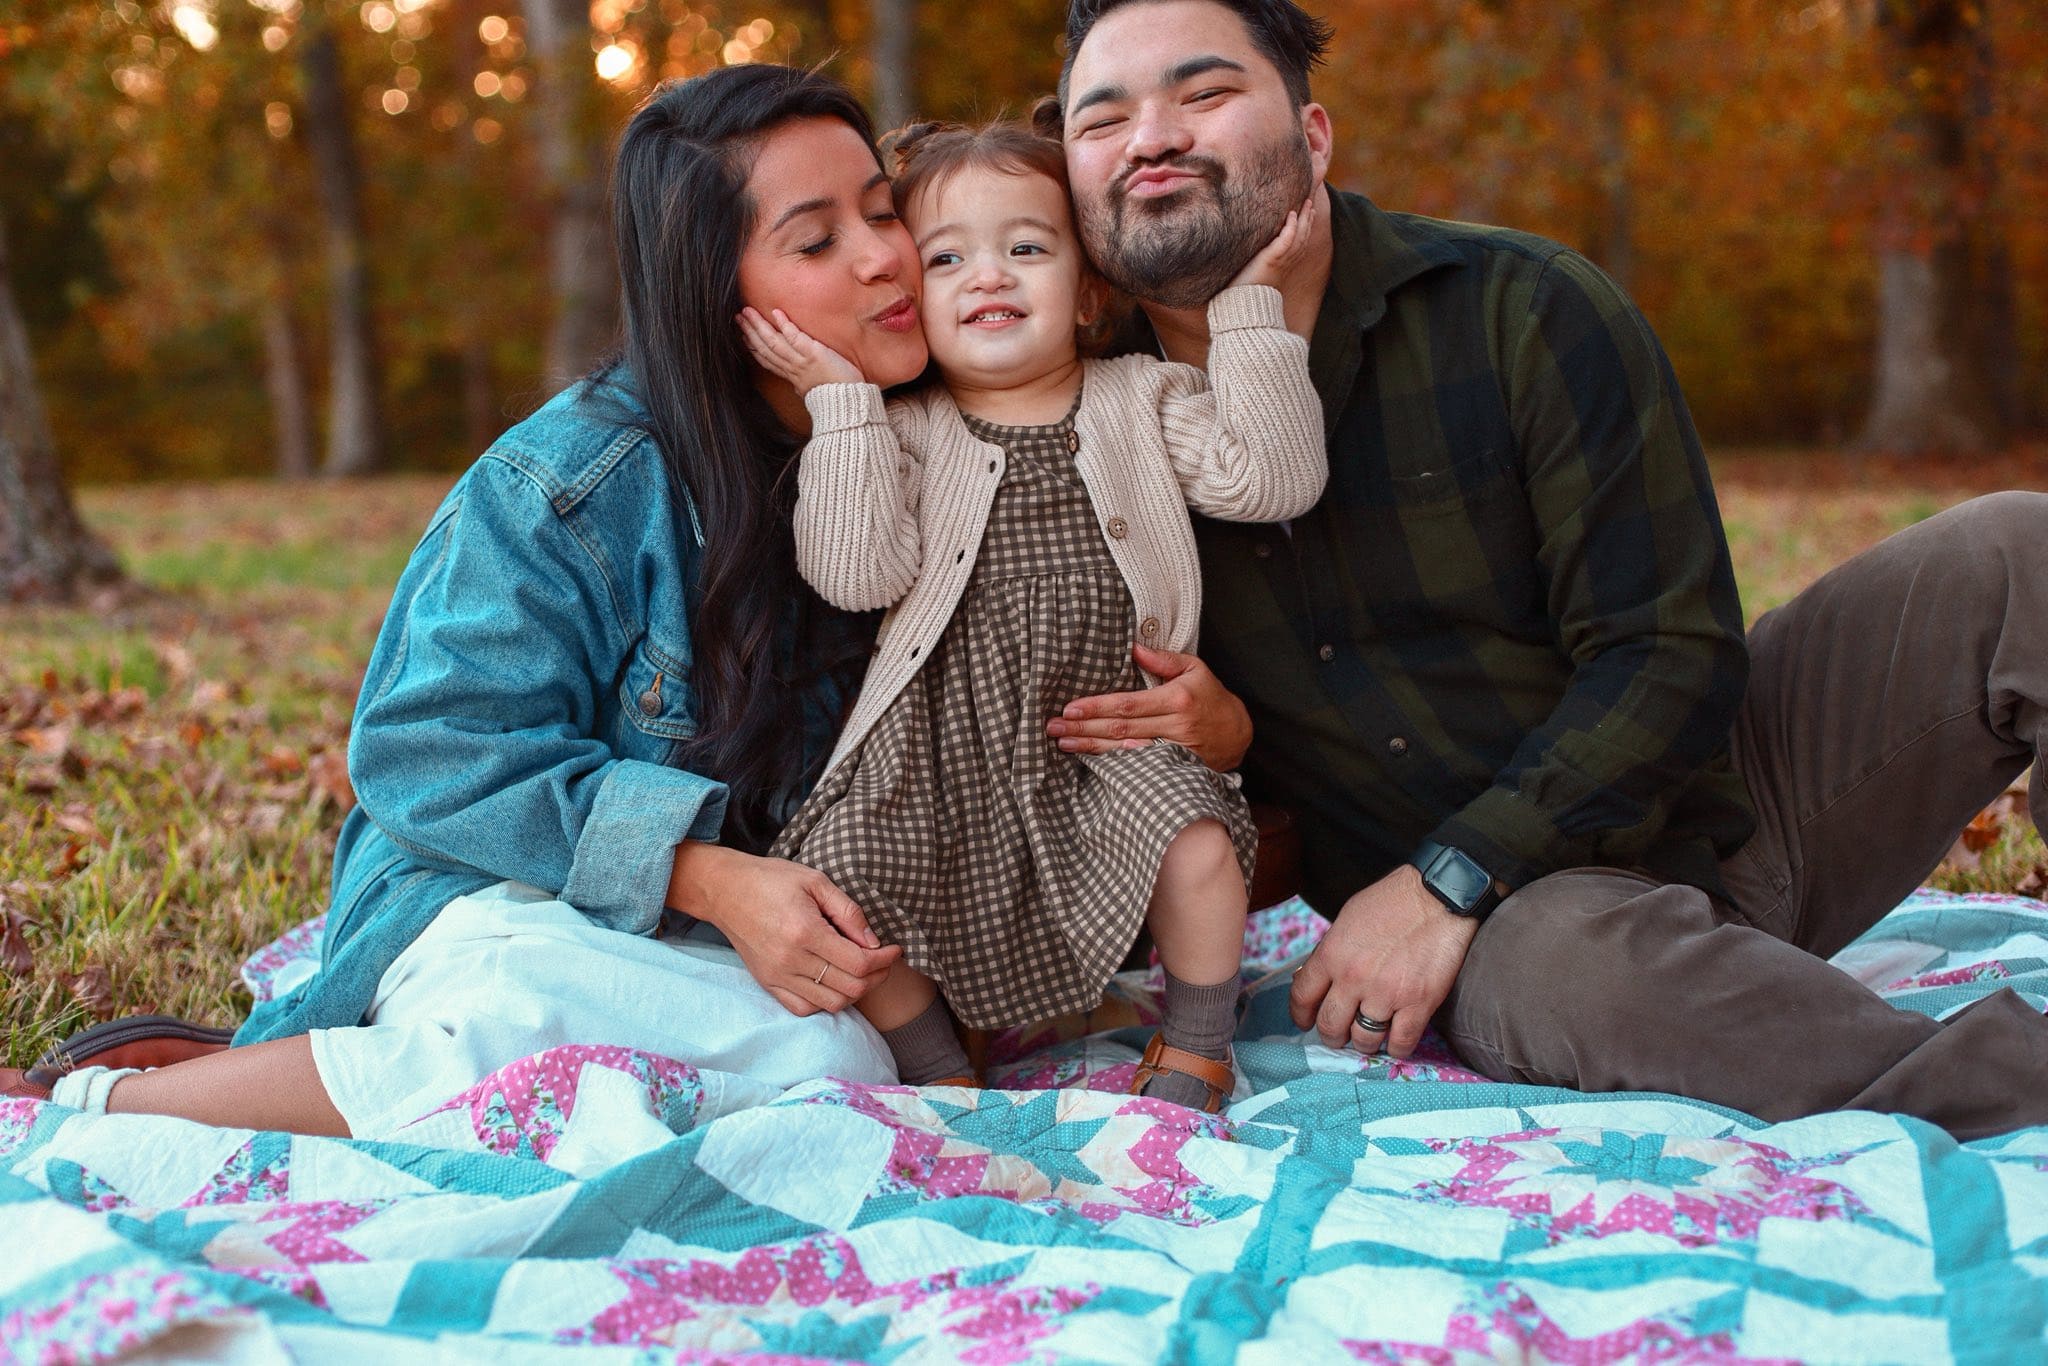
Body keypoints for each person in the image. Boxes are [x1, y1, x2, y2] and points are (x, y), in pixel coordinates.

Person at [1038, 0, 2048, 1138]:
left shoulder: (1520, 309)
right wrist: (1222, 749)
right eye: (1102, 117)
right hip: (1537, 937)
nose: (1151, 136)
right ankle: (1997, 1082)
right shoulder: (1063, 433)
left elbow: (1665, 650)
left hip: (1726, 805)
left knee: (2022, 551)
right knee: (1583, 970)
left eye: (1203, 93)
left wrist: (1446, 881)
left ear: (1312, 135)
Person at [1, 65, 991, 1135]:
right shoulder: (573, 484)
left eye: (880, 211)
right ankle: (109, 1105)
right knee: (526, 1017)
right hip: (496, 902)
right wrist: (705, 877)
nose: (884, 255)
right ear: (716, 293)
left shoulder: (933, 451)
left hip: (695, 949)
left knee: (833, 1058)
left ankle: (342, 1076)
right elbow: (426, 750)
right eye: (814, 240)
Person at [735, 120, 1326, 1111]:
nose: (987, 277)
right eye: (946, 257)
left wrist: (1250, 312)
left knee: (1196, 840)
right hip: (940, 748)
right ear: (909, 297)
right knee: (837, 876)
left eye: (1025, 247)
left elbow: (1270, 476)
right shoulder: (903, 430)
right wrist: (840, 404)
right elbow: (852, 573)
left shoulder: (1139, 396)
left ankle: (1195, 1043)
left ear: (1086, 288)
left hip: (1110, 733)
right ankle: (936, 1066)